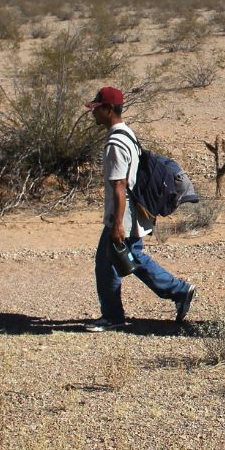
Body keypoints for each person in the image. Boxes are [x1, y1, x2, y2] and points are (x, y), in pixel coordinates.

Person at [85, 86, 196, 332]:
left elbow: (120, 186)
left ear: (109, 109)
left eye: (97, 108)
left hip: (124, 215)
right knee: (130, 257)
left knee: (109, 263)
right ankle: (178, 290)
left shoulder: (115, 142)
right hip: (136, 211)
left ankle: (114, 315)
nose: (93, 113)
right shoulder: (127, 134)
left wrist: (116, 225)